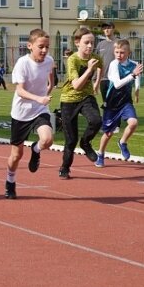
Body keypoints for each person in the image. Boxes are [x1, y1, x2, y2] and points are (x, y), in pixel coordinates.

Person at [4, 29, 54, 199]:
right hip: (21, 113)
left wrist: (49, 89)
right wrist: (38, 98)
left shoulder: (49, 61)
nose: (45, 50)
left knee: (47, 139)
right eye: (41, 47)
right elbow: (19, 91)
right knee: (16, 155)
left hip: (39, 110)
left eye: (47, 47)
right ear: (30, 46)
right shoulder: (22, 63)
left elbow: (51, 77)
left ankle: (36, 149)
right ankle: (10, 180)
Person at [58, 27, 103, 179]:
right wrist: (89, 70)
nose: (90, 46)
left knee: (96, 120)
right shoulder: (73, 60)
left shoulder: (96, 58)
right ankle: (65, 168)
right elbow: (76, 85)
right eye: (86, 43)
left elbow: (101, 67)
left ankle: (85, 143)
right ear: (77, 43)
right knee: (70, 140)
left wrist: (96, 83)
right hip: (69, 100)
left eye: (92, 43)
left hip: (86, 97)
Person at [95, 39, 143, 167]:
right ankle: (100, 153)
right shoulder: (114, 64)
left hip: (126, 101)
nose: (118, 55)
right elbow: (117, 84)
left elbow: (137, 77)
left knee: (133, 123)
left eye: (122, 52)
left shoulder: (134, 64)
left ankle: (123, 142)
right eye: (116, 52)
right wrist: (132, 75)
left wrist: (137, 90)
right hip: (112, 103)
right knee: (109, 133)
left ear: (129, 53)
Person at [96, 21, 118, 106]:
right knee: (106, 103)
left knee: (115, 103)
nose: (106, 30)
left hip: (115, 78)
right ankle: (107, 119)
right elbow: (97, 63)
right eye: (104, 28)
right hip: (103, 79)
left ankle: (116, 119)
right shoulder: (100, 45)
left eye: (108, 27)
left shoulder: (118, 43)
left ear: (113, 29)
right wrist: (96, 80)